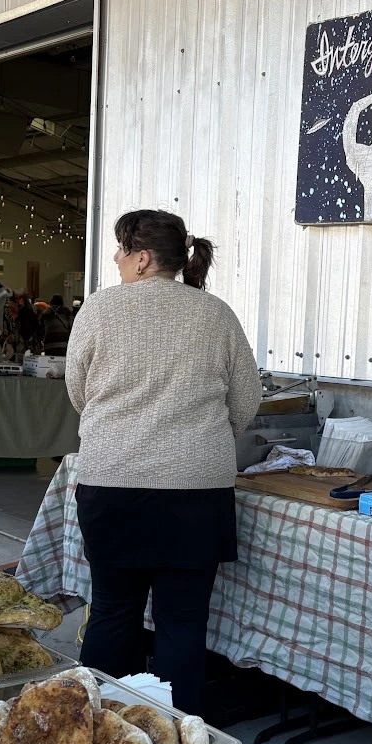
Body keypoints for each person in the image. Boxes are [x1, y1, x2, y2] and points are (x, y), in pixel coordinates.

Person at [67, 209, 261, 715]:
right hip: (198, 494)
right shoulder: (216, 314)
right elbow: (246, 400)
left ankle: (98, 730)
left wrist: (117, 429)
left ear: (143, 257)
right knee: (183, 624)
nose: (115, 258)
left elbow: (77, 390)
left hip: (113, 483)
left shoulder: (99, 310)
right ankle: (181, 742)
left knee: (112, 612)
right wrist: (201, 441)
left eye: (120, 249)